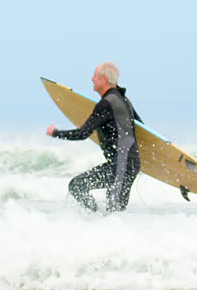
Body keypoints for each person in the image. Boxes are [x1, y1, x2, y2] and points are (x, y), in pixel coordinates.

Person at [45, 62, 142, 213]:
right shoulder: (124, 100)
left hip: (121, 166)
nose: (92, 79)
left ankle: (95, 218)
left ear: (104, 79)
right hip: (126, 165)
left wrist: (55, 133)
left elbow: (82, 134)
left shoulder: (106, 104)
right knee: (114, 212)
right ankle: (98, 221)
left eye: (95, 76)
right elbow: (141, 127)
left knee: (78, 187)